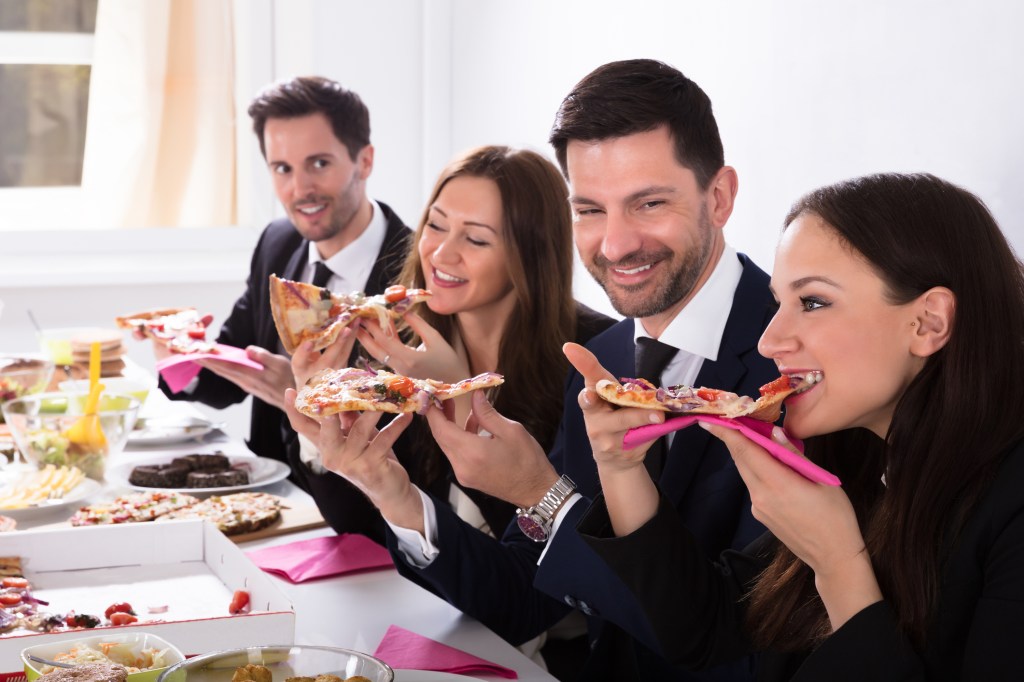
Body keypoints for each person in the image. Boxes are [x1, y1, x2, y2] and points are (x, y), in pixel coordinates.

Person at [286, 59, 778, 680]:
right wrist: (396, 494)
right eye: (591, 210)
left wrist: (541, 494)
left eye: (648, 203)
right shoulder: (603, 365)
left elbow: (736, 638)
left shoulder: (792, 359)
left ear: (720, 197)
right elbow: (524, 602)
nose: (616, 244)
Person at [571, 172, 1024, 679]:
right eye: (778, 303)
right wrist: (621, 468)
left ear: (929, 323)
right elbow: (700, 631)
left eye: (812, 302)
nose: (770, 341)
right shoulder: (861, 461)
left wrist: (839, 565)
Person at [286, 144, 613, 544]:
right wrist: (323, 422)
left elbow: (540, 563)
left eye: (475, 239)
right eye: (436, 225)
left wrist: (458, 398)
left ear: (530, 255)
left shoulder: (595, 357)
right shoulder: (397, 346)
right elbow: (359, 525)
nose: (441, 254)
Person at [157, 76, 411, 465]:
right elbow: (230, 379)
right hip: (278, 494)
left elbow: (417, 440)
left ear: (365, 161)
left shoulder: (418, 273)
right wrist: (180, 357)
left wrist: (307, 396)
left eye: (319, 163)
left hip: (372, 511)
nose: (299, 188)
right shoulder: (277, 243)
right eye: (282, 169)